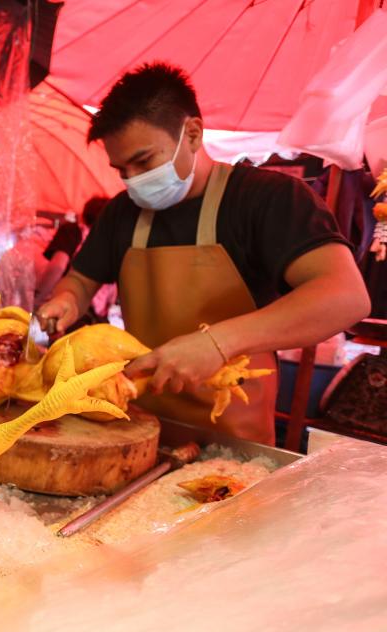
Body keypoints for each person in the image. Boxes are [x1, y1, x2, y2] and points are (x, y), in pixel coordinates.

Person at [36, 63, 370, 445]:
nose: (132, 180)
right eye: (122, 169)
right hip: (136, 431)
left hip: (232, 442)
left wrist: (217, 343)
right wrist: (67, 298)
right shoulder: (121, 213)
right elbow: (81, 279)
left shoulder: (268, 200)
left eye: (144, 162)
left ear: (192, 133)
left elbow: (345, 297)